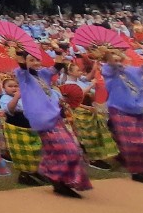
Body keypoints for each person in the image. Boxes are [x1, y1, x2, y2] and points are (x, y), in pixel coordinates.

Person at [14, 48, 91, 198]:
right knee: (69, 150)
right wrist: (19, 54)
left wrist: (58, 52)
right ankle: (56, 178)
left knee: (61, 150)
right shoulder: (24, 76)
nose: (35, 62)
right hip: (42, 120)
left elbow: (57, 67)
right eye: (31, 60)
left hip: (55, 117)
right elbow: (22, 67)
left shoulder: (43, 74)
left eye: (37, 59)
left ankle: (58, 181)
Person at [100, 50, 143, 184]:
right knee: (133, 142)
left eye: (120, 60)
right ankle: (137, 172)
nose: (118, 62)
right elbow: (112, 64)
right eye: (115, 60)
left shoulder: (131, 71)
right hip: (120, 111)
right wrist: (108, 53)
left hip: (137, 110)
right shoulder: (110, 72)